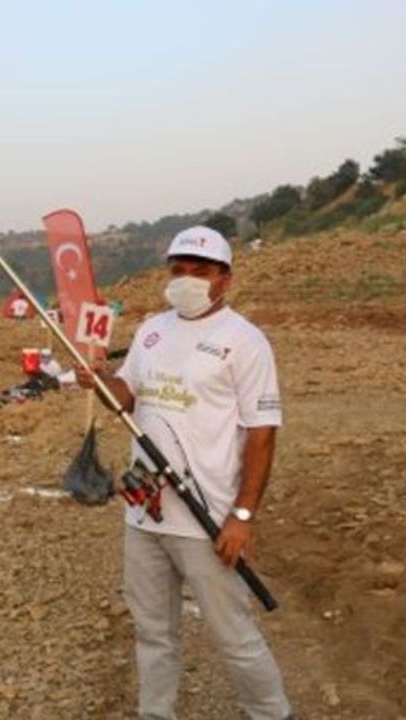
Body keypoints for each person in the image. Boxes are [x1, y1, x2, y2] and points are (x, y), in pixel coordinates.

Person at [78, 226, 292, 719]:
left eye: (201, 270)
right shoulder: (152, 330)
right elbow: (126, 398)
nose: (188, 279)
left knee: (234, 636)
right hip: (144, 512)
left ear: (225, 278)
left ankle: (273, 713)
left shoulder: (245, 341)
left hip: (207, 518)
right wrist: (98, 379)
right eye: (179, 270)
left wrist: (242, 515)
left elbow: (262, 434)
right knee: (153, 633)